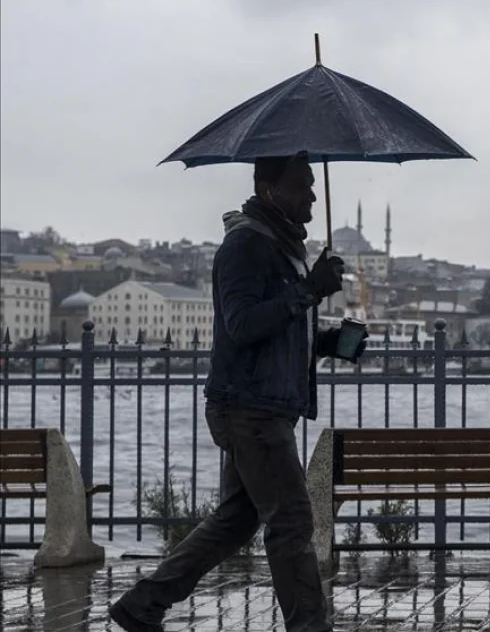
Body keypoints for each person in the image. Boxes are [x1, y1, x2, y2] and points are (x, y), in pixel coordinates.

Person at [109, 154, 367, 632]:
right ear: (270, 190)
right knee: (290, 522)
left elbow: (280, 329)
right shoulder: (245, 245)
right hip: (249, 407)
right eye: (302, 185)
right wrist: (310, 290)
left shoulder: (282, 246)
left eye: (313, 185)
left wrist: (330, 341)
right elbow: (242, 324)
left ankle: (141, 604)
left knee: (236, 520)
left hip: (263, 405)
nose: (312, 194)